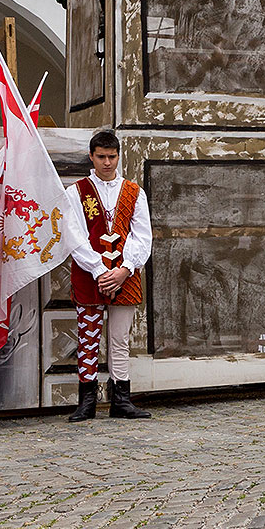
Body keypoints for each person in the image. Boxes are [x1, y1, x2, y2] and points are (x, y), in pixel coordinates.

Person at [63, 129, 153, 422]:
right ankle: (87, 401)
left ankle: (121, 400)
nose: (106, 162)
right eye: (101, 156)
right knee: (87, 337)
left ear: (118, 156)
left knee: (119, 339)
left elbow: (142, 236)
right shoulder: (76, 192)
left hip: (125, 274)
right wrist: (101, 270)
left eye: (112, 157)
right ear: (91, 156)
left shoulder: (134, 192)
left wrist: (125, 269)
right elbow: (73, 235)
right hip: (90, 274)